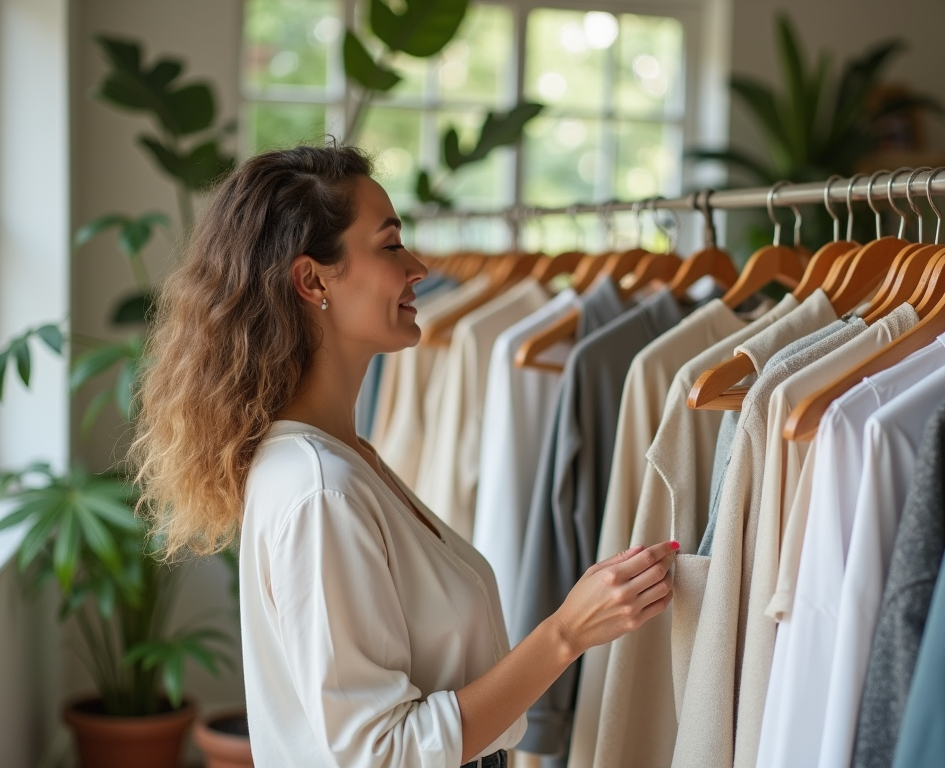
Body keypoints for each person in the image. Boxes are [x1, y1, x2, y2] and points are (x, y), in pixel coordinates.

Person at [130, 144, 676, 768]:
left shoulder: (342, 458)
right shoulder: (320, 489)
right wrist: (565, 633)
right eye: (390, 246)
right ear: (313, 279)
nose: (418, 267)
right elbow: (382, 753)